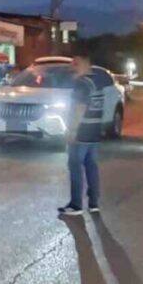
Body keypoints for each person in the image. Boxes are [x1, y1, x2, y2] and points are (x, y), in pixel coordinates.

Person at [58, 55, 104, 217]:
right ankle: (93, 203)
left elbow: (79, 108)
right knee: (91, 166)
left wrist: (71, 130)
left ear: (85, 63)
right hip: (94, 131)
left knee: (75, 166)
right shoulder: (96, 83)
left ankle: (76, 204)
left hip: (81, 133)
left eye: (75, 64)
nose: (72, 67)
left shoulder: (81, 84)